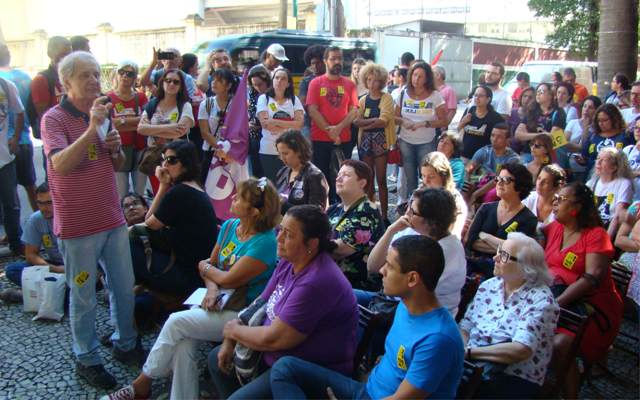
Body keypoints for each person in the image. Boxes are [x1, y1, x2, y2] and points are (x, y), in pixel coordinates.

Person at [104, 177, 279, 400]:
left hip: (241, 313)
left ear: (254, 212)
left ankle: (141, 384)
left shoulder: (265, 242)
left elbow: (228, 278)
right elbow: (210, 266)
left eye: (240, 198)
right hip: (216, 300)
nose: (233, 198)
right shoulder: (230, 226)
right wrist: (212, 288)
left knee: (176, 323)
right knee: (183, 341)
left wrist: (208, 270)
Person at [41, 51, 140, 388]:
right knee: (83, 293)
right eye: (85, 75)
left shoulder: (100, 113)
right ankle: (87, 357)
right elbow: (60, 165)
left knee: (123, 286)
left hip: (111, 218)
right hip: (78, 226)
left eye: (96, 74)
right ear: (66, 82)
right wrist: (93, 128)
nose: (94, 81)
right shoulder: (54, 119)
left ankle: (126, 342)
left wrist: (115, 149)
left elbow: (116, 163)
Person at [269, 235, 465, 399]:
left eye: (390, 266)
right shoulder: (405, 307)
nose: (381, 270)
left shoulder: (437, 339)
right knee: (285, 368)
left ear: (412, 278)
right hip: (366, 391)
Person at [208, 205, 358, 398]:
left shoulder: (316, 281)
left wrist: (233, 331)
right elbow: (259, 304)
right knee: (216, 359)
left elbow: (274, 339)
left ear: (311, 244)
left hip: (304, 371)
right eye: (280, 230)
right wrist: (230, 339)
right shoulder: (289, 261)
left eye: (288, 235)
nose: (278, 238)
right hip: (275, 357)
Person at [546, 182, 624, 399]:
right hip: (557, 297)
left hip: (590, 309)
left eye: (561, 199)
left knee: (560, 345)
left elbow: (591, 278)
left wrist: (556, 304)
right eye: (555, 198)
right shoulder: (556, 227)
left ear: (576, 207)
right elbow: (534, 240)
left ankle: (570, 395)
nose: (554, 202)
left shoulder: (596, 235)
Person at [461, 232, 559, 399]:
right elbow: (466, 326)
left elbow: (520, 350)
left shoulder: (542, 301)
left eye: (504, 255)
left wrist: (469, 353)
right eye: (498, 251)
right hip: (472, 364)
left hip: (511, 376)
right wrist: (461, 351)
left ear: (525, 267)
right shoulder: (490, 285)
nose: (495, 258)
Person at [131, 140, 218, 299]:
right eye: (163, 159)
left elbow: (149, 224)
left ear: (186, 164)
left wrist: (163, 186)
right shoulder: (194, 186)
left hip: (188, 275)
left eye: (171, 160)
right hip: (195, 270)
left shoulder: (180, 192)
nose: (165, 164)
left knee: (128, 244)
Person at [367, 188, 466, 316]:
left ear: (431, 222)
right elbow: (373, 266)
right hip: (390, 300)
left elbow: (403, 290)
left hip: (412, 314)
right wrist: (390, 231)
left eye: (412, 211)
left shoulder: (441, 252)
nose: (406, 213)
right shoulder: (414, 229)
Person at [306, 46, 359, 202]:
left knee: (343, 178)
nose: (337, 61)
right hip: (320, 139)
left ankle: (342, 209)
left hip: (344, 139)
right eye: (333, 58)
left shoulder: (350, 85)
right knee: (321, 179)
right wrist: (330, 131)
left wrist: (338, 129)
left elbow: (354, 111)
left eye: (339, 58)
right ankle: (324, 209)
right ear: (325, 61)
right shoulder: (316, 83)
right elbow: (313, 111)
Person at [465, 162, 537, 277]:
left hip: (505, 273)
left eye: (506, 180)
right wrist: (504, 246)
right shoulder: (485, 208)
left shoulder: (528, 219)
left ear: (520, 186)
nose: (499, 183)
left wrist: (485, 236)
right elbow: (470, 241)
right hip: (474, 267)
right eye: (498, 179)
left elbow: (517, 252)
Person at [328, 160, 384, 289]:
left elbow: (340, 250)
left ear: (362, 183)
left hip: (355, 285)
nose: (338, 178)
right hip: (332, 278)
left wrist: (308, 245)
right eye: (339, 174)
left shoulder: (367, 211)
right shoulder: (334, 209)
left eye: (346, 175)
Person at [395, 62, 448, 197]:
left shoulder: (435, 95)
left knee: (428, 177)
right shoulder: (403, 93)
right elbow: (394, 117)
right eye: (414, 75)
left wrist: (425, 123)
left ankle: (428, 203)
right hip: (406, 141)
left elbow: (444, 121)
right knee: (410, 179)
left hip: (426, 142)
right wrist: (403, 121)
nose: (416, 79)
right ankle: (412, 204)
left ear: (427, 79)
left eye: (420, 76)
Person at [137, 68, 194, 192]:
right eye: (168, 80)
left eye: (176, 82)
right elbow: (140, 129)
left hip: (177, 159)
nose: (171, 84)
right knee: (158, 193)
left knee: (176, 194)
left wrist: (151, 129)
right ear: (162, 83)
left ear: (181, 86)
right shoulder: (152, 104)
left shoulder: (185, 105)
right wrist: (170, 127)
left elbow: (180, 131)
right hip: (154, 157)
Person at [354, 63, 395, 222]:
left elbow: (383, 121)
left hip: (381, 140)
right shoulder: (363, 100)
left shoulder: (387, 98)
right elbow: (356, 121)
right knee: (368, 180)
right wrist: (372, 122)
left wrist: (365, 124)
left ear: (382, 81)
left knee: (382, 179)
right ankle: (372, 214)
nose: (372, 83)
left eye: (376, 80)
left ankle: (384, 216)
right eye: (369, 79)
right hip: (365, 141)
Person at [3, 183, 64, 288]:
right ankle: (56, 288)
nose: (44, 208)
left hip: (76, 266)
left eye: (49, 203)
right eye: (40, 203)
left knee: (85, 278)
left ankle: (54, 289)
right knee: (12, 270)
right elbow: (31, 255)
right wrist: (54, 269)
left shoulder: (70, 216)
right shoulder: (35, 219)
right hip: (53, 265)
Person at [0, 44, 37, 212]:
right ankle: (40, 220)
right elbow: (31, 108)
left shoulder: (6, 81)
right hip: (22, 140)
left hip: (9, 144)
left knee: (10, 192)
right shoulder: (24, 77)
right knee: (30, 185)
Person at [107, 60, 149, 198]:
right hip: (118, 150)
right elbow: (109, 123)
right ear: (117, 74)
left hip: (139, 147)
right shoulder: (108, 97)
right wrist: (134, 122)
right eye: (122, 72)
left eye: (129, 74)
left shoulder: (141, 97)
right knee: (121, 193)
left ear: (135, 77)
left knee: (140, 192)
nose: (125, 76)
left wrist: (122, 122)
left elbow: (146, 120)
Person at [257, 67, 304, 183]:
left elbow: (299, 125)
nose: (279, 81)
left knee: (289, 184)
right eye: (277, 78)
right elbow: (266, 124)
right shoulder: (264, 99)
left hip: (290, 150)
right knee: (271, 185)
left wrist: (275, 122)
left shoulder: (294, 100)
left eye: (283, 79)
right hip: (269, 150)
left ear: (288, 84)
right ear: (272, 80)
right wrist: (290, 125)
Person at [464, 123, 520, 206]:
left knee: (492, 194)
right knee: (464, 188)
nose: (494, 139)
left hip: (500, 185)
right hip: (481, 182)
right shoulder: (484, 151)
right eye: (493, 135)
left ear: (508, 140)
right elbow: (468, 169)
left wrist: (476, 194)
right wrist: (466, 183)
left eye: (499, 137)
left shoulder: (513, 159)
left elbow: (497, 180)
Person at [199, 67, 239, 182]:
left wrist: (228, 150)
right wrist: (220, 147)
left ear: (229, 85)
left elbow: (239, 130)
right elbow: (204, 132)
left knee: (229, 185)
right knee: (208, 184)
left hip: (231, 152)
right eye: (213, 79)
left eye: (219, 80)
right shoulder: (206, 104)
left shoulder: (236, 104)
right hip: (210, 150)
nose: (214, 82)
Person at [0, 74, 25, 257]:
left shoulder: (6, 86)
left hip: (4, 158)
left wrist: (16, 137)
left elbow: (20, 112)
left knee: (11, 205)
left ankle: (16, 243)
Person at [275, 130, 328, 213]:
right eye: (280, 154)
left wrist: (283, 205)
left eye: (285, 154)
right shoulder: (283, 172)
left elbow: (316, 212)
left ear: (299, 151)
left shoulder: (314, 175)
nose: (282, 158)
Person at [587, 147, 633, 239]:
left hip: (610, 231)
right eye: (598, 158)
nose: (598, 162)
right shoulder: (591, 183)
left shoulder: (623, 183)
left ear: (614, 167)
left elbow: (617, 216)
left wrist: (606, 241)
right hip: (592, 229)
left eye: (604, 160)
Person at [514, 83, 566, 163]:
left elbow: (551, 139)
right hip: (529, 152)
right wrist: (540, 135)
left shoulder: (559, 113)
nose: (538, 94)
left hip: (548, 154)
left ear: (550, 95)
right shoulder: (531, 111)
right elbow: (518, 134)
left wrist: (528, 136)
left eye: (541, 92)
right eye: (537, 91)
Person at [421, 152, 468, 239]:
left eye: (431, 177)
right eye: (423, 176)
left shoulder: (455, 200)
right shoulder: (419, 193)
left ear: (443, 176)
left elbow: (455, 234)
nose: (426, 181)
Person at [458, 85, 505, 160]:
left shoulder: (495, 118)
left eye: (481, 96)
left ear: (488, 99)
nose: (477, 98)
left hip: (484, 159)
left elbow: (502, 137)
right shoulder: (469, 110)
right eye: (475, 95)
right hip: (464, 155)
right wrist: (463, 122)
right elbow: (458, 129)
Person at [582, 103, 631, 172]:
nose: (601, 123)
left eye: (605, 120)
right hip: (593, 173)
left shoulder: (626, 136)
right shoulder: (592, 136)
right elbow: (585, 156)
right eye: (599, 120)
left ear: (614, 119)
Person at [563, 95, 602, 183]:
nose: (586, 110)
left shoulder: (596, 129)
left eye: (590, 108)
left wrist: (585, 129)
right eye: (585, 106)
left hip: (581, 166)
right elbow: (563, 143)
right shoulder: (573, 122)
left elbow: (582, 148)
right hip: (567, 162)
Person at [522, 164, 566, 237]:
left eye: (546, 182)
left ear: (556, 187)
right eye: (539, 178)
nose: (539, 183)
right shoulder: (528, 198)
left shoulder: (561, 208)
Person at [247, 66, 271, 178]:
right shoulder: (252, 94)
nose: (258, 87)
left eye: (260, 84)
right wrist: (248, 124)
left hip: (269, 136)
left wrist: (261, 125)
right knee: (256, 171)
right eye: (254, 85)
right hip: (254, 137)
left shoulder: (274, 94)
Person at [298, 45, 326, 138]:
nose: (315, 66)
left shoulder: (332, 80)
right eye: (312, 63)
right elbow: (302, 103)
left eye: (318, 63)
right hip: (309, 124)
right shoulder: (306, 81)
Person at [508, 87, 536, 152]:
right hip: (512, 147)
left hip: (529, 149)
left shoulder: (535, 115)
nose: (527, 99)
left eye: (530, 97)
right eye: (525, 96)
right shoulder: (512, 112)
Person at [623, 117, 640, 200]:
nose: (638, 131)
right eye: (636, 128)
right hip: (627, 198)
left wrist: (630, 173)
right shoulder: (628, 150)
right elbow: (618, 173)